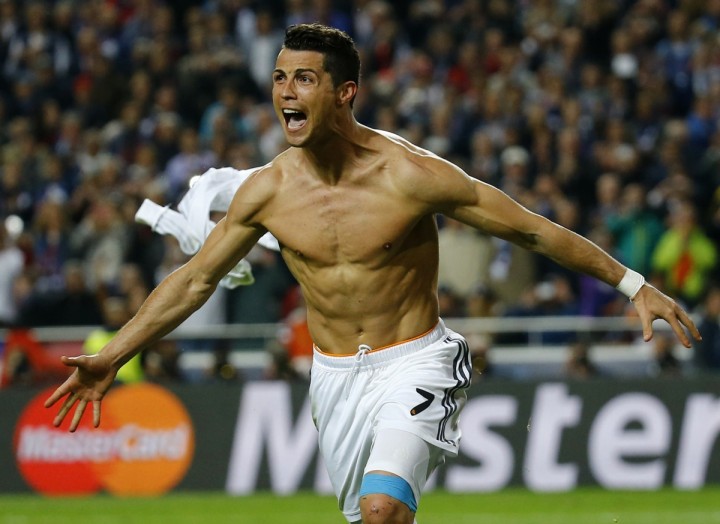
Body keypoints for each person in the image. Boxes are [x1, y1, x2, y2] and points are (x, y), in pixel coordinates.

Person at [46, 23, 701, 524]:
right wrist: (114, 355)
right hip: (333, 379)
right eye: (279, 78)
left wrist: (633, 285)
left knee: (382, 512)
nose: (286, 92)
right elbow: (195, 280)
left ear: (345, 92)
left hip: (416, 360)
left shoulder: (409, 176)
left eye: (304, 79)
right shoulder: (268, 192)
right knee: (371, 519)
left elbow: (531, 229)